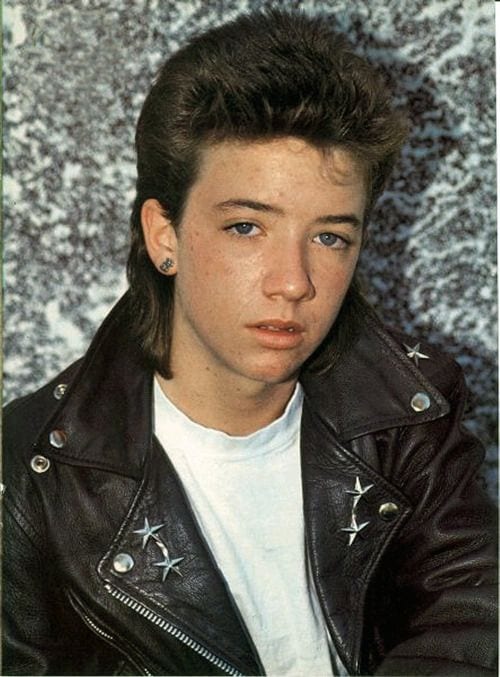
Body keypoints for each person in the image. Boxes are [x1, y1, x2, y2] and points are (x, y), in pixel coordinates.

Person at [2, 9, 497, 676]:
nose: (293, 283)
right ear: (164, 235)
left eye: (330, 237)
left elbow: (472, 619)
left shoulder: (411, 414)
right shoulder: (30, 474)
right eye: (246, 227)